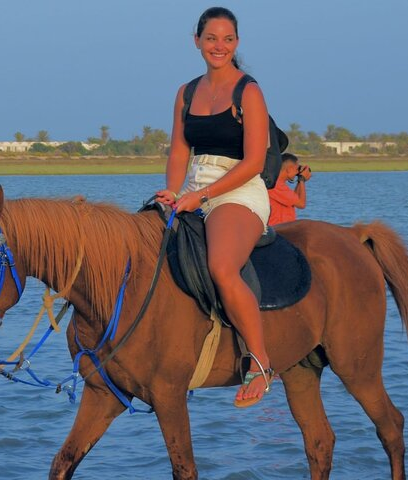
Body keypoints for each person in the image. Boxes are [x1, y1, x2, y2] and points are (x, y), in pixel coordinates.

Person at [155, 7, 273, 408]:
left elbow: (254, 161)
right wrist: (172, 192)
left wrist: (202, 196)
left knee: (221, 267)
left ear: (236, 43)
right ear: (197, 42)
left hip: (238, 189)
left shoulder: (248, 92)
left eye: (227, 39)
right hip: (192, 186)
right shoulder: (186, 93)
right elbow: (178, 150)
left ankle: (259, 361)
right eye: (211, 39)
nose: (218, 46)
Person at [267, 153, 312, 226]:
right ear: (289, 169)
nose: (297, 172)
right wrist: (302, 180)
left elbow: (296, 199)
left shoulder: (278, 184)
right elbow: (301, 204)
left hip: (282, 228)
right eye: (297, 169)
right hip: (277, 229)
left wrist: (300, 180)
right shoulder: (275, 186)